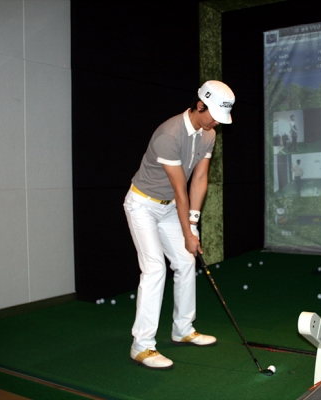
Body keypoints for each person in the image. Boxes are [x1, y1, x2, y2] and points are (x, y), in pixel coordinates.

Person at [123, 80, 235, 370]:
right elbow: (180, 188)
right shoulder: (169, 135)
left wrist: (193, 223)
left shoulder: (209, 134)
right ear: (199, 105)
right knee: (155, 269)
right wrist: (188, 232)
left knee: (186, 262)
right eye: (213, 115)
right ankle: (141, 346)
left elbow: (199, 179)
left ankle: (183, 329)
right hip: (143, 205)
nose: (216, 122)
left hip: (171, 207)